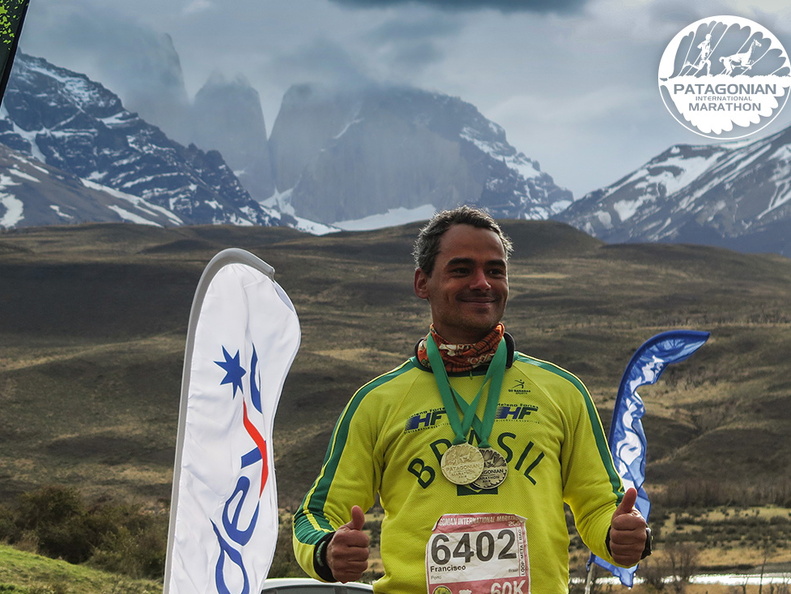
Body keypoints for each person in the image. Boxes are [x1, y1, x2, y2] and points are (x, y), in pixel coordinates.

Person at [293, 206, 650, 593]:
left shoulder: (562, 391)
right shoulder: (376, 402)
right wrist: (326, 549)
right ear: (422, 283)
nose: (482, 283)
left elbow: (600, 504)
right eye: (462, 270)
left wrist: (620, 536)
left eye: (495, 271)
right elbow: (317, 514)